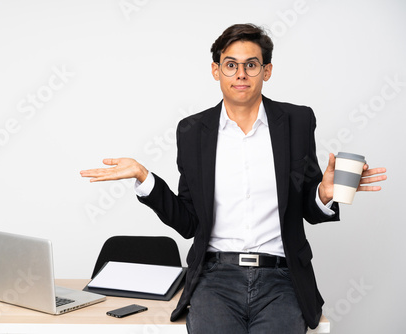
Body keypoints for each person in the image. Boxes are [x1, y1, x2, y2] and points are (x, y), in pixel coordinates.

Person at [80, 23, 387, 334]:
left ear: (266, 71)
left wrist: (323, 192)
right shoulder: (192, 131)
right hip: (215, 278)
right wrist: (145, 178)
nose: (241, 74)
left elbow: (307, 206)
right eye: (231, 65)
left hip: (281, 278)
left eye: (251, 65)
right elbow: (189, 223)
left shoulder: (297, 121)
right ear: (216, 71)